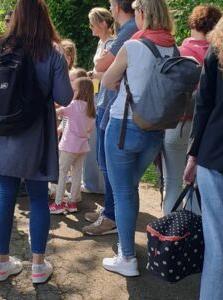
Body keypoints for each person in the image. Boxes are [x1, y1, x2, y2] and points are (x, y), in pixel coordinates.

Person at [0, 0, 73, 283]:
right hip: (37, 136)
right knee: (37, 199)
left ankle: (0, 263)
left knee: (6, 196)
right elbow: (65, 97)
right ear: (44, 18)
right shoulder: (53, 52)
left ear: (16, 17)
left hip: (2, 134)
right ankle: (37, 266)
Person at [102, 0, 176, 276]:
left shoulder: (133, 46)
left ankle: (128, 257)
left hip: (124, 126)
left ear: (142, 14)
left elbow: (108, 81)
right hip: (155, 130)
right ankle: (128, 250)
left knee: (123, 192)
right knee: (129, 188)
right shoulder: (172, 46)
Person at [83, 0, 138, 236]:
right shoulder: (126, 32)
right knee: (104, 160)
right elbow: (101, 68)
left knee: (108, 163)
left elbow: (101, 64)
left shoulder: (127, 30)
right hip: (106, 100)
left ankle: (112, 217)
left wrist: (101, 65)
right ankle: (109, 211)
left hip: (114, 104)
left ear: (115, 8)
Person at [162, 4, 221, 215]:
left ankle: (171, 235)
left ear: (193, 23)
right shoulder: (215, 49)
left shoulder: (182, 51)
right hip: (205, 132)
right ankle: (193, 232)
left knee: (173, 182)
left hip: (180, 124)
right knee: (196, 189)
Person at [183, 17, 223, 300]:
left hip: (214, 154)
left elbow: (204, 104)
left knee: (218, 243)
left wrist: (193, 155)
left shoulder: (218, 48)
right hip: (212, 157)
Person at [81, 7, 115, 196]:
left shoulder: (111, 44)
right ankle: (93, 182)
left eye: (93, 23)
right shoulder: (102, 44)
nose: (90, 27)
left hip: (106, 97)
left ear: (102, 24)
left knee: (96, 139)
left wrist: (93, 75)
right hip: (97, 95)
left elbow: (109, 74)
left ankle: (97, 185)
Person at [49, 77, 96, 214]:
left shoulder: (75, 105)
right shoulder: (91, 108)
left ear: (80, 91)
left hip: (69, 145)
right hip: (82, 146)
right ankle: (72, 202)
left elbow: (58, 112)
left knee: (61, 172)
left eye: (74, 90)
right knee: (76, 173)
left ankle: (58, 203)